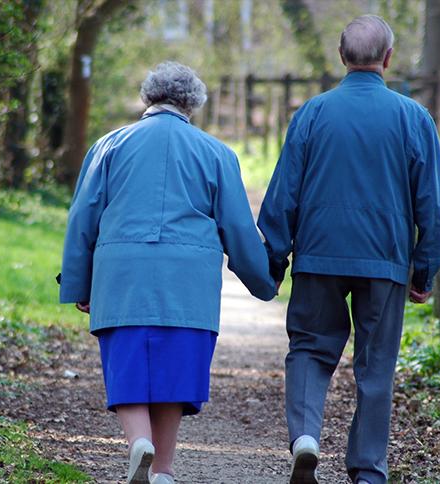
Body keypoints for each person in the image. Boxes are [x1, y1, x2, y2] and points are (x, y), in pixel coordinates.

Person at [59, 61, 276, 484]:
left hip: (122, 277)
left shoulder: (108, 145)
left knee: (127, 367)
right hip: (187, 284)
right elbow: (236, 226)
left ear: (148, 97)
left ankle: (139, 444)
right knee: (175, 374)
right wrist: (264, 282)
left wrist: (80, 283)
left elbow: (82, 218)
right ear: (192, 104)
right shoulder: (216, 153)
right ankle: (162, 469)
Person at [257, 15, 440, 484]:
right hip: (384, 261)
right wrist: (423, 270)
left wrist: (275, 259)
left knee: (308, 348)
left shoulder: (312, 113)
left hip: (319, 256)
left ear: (341, 58)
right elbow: (434, 207)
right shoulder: (413, 117)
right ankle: (367, 471)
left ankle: (305, 435)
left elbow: (282, 196)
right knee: (376, 367)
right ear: (388, 58)